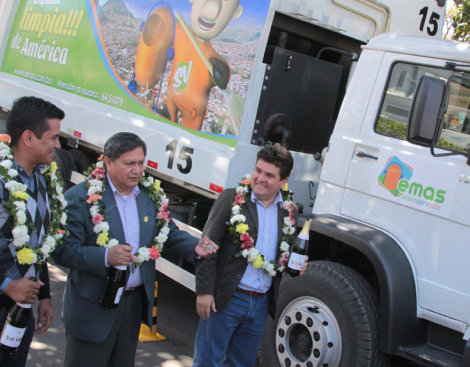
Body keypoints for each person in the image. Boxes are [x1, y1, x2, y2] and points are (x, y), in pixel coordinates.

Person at [52, 132, 218, 367]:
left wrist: (196, 246)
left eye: (141, 163)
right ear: (108, 162)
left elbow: (167, 232)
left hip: (131, 306)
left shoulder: (149, 196)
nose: (137, 170)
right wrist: (106, 256)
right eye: (129, 163)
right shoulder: (80, 198)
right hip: (93, 307)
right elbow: (62, 251)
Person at [193, 143, 307, 367]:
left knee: (241, 364)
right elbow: (208, 246)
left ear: (284, 182)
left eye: (269, 175)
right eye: (258, 171)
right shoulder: (231, 199)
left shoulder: (289, 211)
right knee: (208, 362)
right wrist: (204, 291)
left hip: (260, 304)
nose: (260, 178)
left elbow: (281, 256)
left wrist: (295, 265)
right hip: (226, 299)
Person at [0, 96, 65, 366]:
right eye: (53, 137)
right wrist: (7, 285)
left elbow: (38, 247)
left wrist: (45, 296)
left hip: (20, 312)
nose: (58, 145)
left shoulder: (43, 181)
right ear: (28, 137)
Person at [166, 0, 242, 129]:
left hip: (192, 111)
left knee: (189, 137)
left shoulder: (211, 57)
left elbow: (222, 73)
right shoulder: (181, 32)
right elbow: (168, 21)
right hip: (171, 98)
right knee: (167, 122)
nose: (210, 10)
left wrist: (221, 70)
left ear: (235, 13)